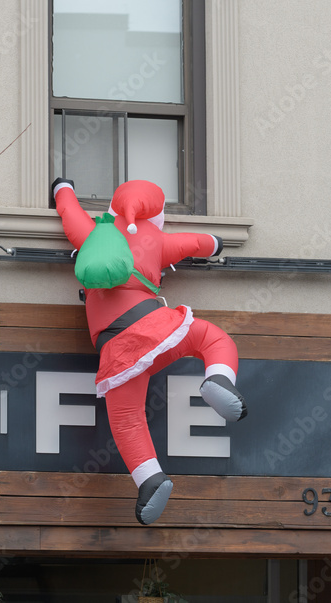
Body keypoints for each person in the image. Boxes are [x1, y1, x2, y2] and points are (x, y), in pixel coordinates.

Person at [52, 178, 248, 525]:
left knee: (127, 418)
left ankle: (150, 479)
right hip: (153, 325)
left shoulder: (94, 234)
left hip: (115, 345)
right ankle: (218, 379)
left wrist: (62, 187)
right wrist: (216, 242)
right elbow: (197, 243)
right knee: (212, 339)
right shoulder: (157, 240)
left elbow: (70, 213)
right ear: (156, 215)